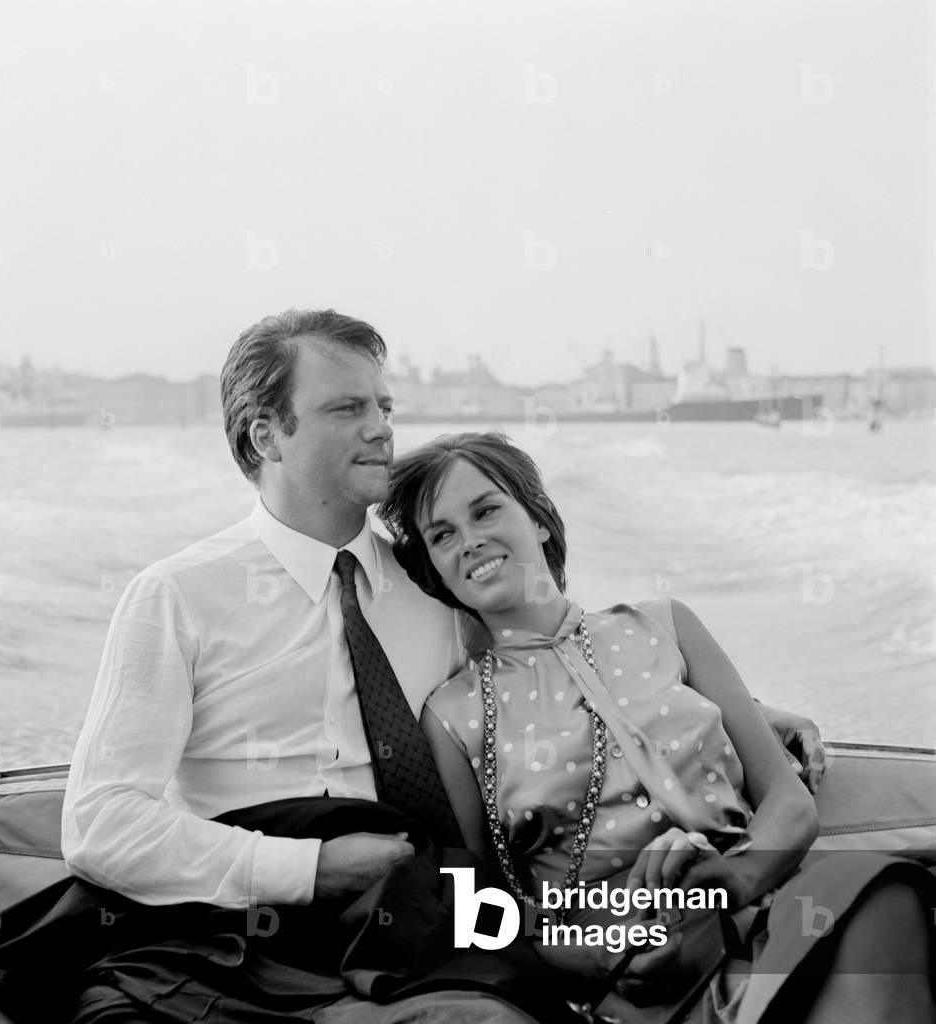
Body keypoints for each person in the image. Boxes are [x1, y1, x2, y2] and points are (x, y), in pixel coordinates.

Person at [58, 311, 825, 1024]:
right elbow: (100, 825)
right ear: (266, 436)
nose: (381, 430)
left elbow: (568, 662)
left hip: (415, 932)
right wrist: (307, 869)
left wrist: (743, 711)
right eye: (347, 409)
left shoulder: (434, 586)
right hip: (233, 937)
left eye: (384, 408)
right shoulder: (177, 596)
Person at [379, 431, 935, 1024]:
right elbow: (477, 906)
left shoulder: (665, 626)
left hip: (758, 900)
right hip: (623, 966)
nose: (471, 540)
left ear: (539, 518)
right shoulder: (453, 715)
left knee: (884, 898)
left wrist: (727, 882)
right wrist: (594, 956)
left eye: (486, 509)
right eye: (443, 535)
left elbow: (790, 802)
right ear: (436, 570)